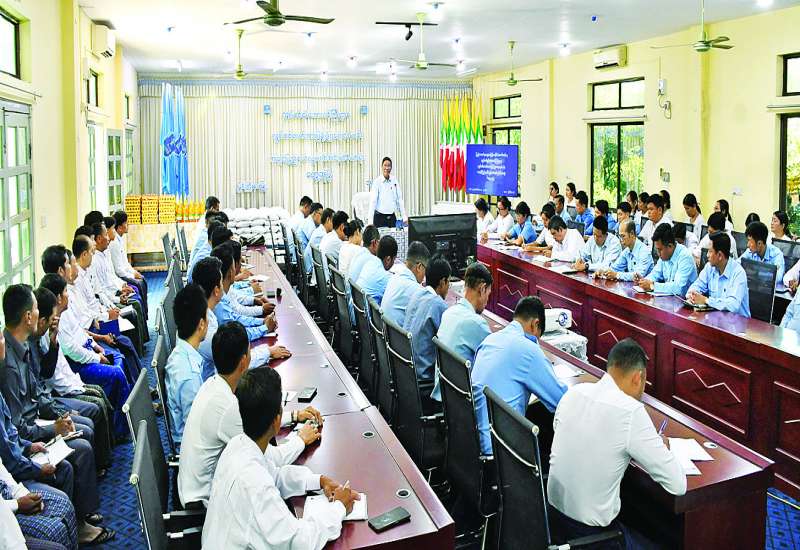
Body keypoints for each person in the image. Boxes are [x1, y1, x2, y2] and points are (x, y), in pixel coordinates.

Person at [547, 339, 686, 547]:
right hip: (592, 538)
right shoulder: (630, 411)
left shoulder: (574, 393)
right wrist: (662, 448)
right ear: (638, 377)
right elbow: (678, 485)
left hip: (551, 522)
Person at [202, 367, 360, 549]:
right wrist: (338, 508)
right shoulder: (255, 485)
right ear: (277, 421)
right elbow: (300, 542)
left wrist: (318, 481)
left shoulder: (237, 445)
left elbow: (274, 476)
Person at [0, 296, 111, 544]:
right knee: (78, 450)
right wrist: (51, 429)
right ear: (28, 317)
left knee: (83, 429)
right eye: (36, 310)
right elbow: (15, 431)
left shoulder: (24, 346)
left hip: (31, 431)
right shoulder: (8, 367)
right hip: (30, 433)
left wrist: (54, 420)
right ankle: (79, 524)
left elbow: (37, 392)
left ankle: (82, 516)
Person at [178, 322, 321, 507]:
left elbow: (253, 418)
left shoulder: (212, 386)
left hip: (192, 488)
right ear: (244, 360)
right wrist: (301, 439)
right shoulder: (227, 408)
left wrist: (294, 416)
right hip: (205, 503)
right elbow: (270, 457)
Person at [470, 296, 567, 456]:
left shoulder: (490, 340)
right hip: (503, 453)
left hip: (473, 440)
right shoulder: (528, 349)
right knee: (546, 428)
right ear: (535, 324)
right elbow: (561, 401)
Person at [37, 275, 113, 471]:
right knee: (96, 404)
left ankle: (108, 451)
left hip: (68, 382)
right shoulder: (42, 337)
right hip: (61, 392)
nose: (68, 295)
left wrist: (95, 346)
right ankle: (101, 462)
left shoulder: (55, 326)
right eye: (65, 292)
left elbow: (80, 333)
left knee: (98, 394)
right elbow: (50, 377)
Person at [193, 257, 288, 381]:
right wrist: (268, 352)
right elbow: (234, 362)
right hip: (215, 382)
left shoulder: (206, 314)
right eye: (221, 282)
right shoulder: (206, 329)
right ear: (216, 290)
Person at [433, 263, 492, 401]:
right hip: (461, 402)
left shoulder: (448, 313)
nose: (487, 302)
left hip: (444, 397)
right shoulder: (476, 323)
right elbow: (496, 360)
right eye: (488, 294)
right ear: (482, 289)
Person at [0, 451, 79, 550]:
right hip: (5, 513)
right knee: (53, 530)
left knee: (63, 503)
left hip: (10, 498)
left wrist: (25, 495)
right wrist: (17, 504)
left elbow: (6, 478)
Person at [164, 284, 209, 444]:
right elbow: (197, 430)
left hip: (191, 435)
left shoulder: (180, 352)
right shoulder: (190, 375)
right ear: (201, 324)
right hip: (193, 446)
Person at [402, 257, 451, 399]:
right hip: (423, 382)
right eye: (449, 282)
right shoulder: (438, 305)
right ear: (442, 282)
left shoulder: (416, 294)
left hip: (405, 374)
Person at [211, 244, 280, 343]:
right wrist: (264, 328)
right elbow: (234, 336)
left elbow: (235, 317)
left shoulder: (221, 296)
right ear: (231, 272)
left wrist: (262, 322)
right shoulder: (219, 303)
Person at [687, 232, 750, 317]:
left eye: (710, 251)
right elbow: (696, 286)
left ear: (720, 255)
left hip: (738, 322)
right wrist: (692, 296)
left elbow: (733, 306)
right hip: (717, 318)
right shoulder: (709, 267)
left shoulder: (738, 273)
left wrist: (706, 300)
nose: (707, 255)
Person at [635, 224, 698, 296]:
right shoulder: (664, 255)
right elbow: (655, 274)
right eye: (657, 249)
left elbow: (678, 288)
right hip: (669, 298)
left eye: (660, 250)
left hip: (683, 300)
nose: (658, 253)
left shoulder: (685, 257)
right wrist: (643, 281)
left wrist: (652, 286)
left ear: (670, 246)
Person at [380, 241, 431, 325]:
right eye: (425, 269)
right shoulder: (416, 291)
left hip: (385, 331)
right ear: (419, 267)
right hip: (397, 332)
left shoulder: (394, 277)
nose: (425, 275)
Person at [109, 210, 148, 315]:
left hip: (124, 274)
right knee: (139, 284)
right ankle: (143, 314)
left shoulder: (120, 240)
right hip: (120, 276)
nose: (128, 225)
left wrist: (134, 272)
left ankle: (145, 314)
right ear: (120, 227)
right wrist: (132, 276)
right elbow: (119, 271)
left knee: (142, 280)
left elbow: (125, 263)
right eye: (126, 223)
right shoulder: (114, 244)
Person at [354, 235, 397, 304]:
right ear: (388, 259)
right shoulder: (385, 278)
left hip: (357, 307)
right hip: (366, 309)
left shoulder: (369, 263)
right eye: (394, 260)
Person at [368, 156, 407, 228]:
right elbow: (373, 202)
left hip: (392, 217)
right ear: (381, 167)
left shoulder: (394, 180)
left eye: (389, 166)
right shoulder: (377, 182)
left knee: (393, 235)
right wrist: (370, 221)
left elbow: (399, 199)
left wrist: (404, 217)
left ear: (391, 168)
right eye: (385, 165)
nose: (387, 168)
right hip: (379, 218)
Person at [304, 208, 335, 276]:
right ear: (328, 220)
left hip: (308, 265)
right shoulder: (322, 235)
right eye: (334, 221)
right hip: (310, 269)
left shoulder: (319, 230)